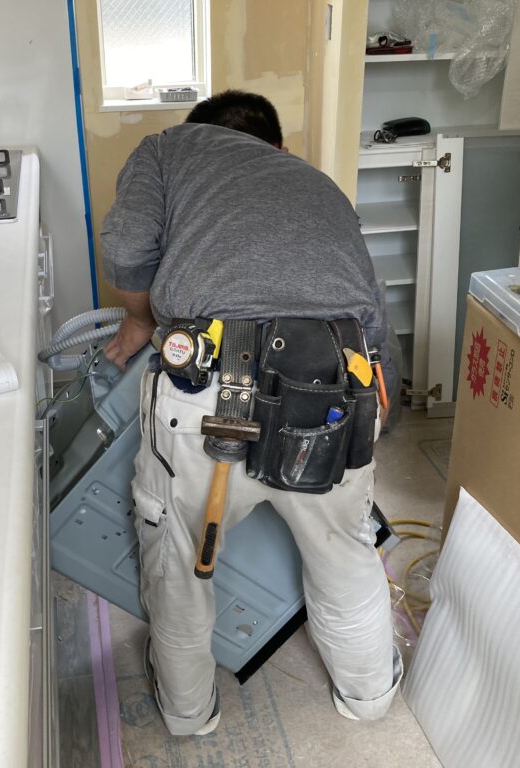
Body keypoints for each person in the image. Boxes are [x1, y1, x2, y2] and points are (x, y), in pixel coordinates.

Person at [101, 90, 401, 736]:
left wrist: (139, 319)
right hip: (335, 392)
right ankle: (370, 697)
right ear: (278, 148)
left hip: (207, 392)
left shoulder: (168, 149)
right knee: (345, 554)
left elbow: (126, 251)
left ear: (200, 133)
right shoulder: (319, 185)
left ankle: (188, 715)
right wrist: (374, 430)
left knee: (180, 563)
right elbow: (375, 326)